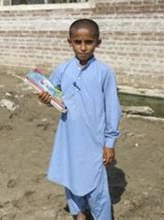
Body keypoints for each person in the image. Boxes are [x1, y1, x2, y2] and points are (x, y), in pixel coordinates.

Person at [37, 19, 121, 220]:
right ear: (70, 42)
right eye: (78, 42)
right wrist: (45, 99)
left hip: (94, 139)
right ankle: (79, 212)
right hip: (69, 137)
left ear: (98, 43)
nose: (83, 47)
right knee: (71, 176)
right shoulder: (62, 69)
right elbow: (53, 96)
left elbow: (112, 109)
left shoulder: (104, 72)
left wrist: (109, 143)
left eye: (89, 42)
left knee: (97, 186)